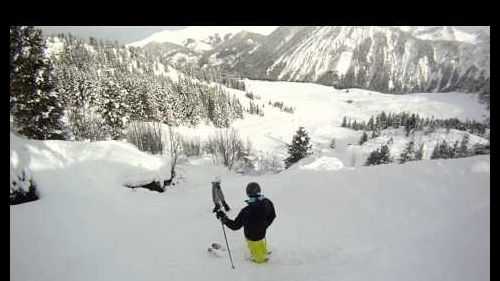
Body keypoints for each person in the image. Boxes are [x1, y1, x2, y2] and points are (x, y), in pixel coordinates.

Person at [216, 182, 276, 263]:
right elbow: (273, 215)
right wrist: (265, 225)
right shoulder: (268, 202)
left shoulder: (246, 211)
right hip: (262, 233)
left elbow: (235, 226)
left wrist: (224, 218)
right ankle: (263, 251)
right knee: (259, 242)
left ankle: (259, 259)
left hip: (251, 237)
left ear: (248, 194)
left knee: (255, 248)